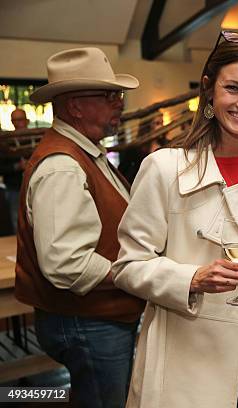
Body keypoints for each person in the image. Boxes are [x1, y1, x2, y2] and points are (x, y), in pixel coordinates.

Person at [111, 31, 238, 407]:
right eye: (233, 88)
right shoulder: (165, 168)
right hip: (186, 361)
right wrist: (192, 278)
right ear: (209, 89)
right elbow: (127, 266)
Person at [14, 47, 145, 408]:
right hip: (86, 322)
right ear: (74, 106)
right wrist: (137, 273)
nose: (118, 102)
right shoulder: (63, 167)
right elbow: (66, 263)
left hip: (94, 318)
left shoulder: (84, 153)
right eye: (108, 95)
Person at [118, 110, 166, 183]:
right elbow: (122, 174)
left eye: (162, 123)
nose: (161, 127)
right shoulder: (134, 149)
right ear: (147, 126)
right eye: (157, 123)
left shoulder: (166, 145)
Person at [0, 108, 28, 232]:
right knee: (16, 219)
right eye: (14, 120)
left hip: (34, 186)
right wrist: (18, 166)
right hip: (14, 188)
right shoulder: (5, 142)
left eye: (20, 119)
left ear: (27, 121)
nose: (17, 123)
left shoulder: (38, 138)